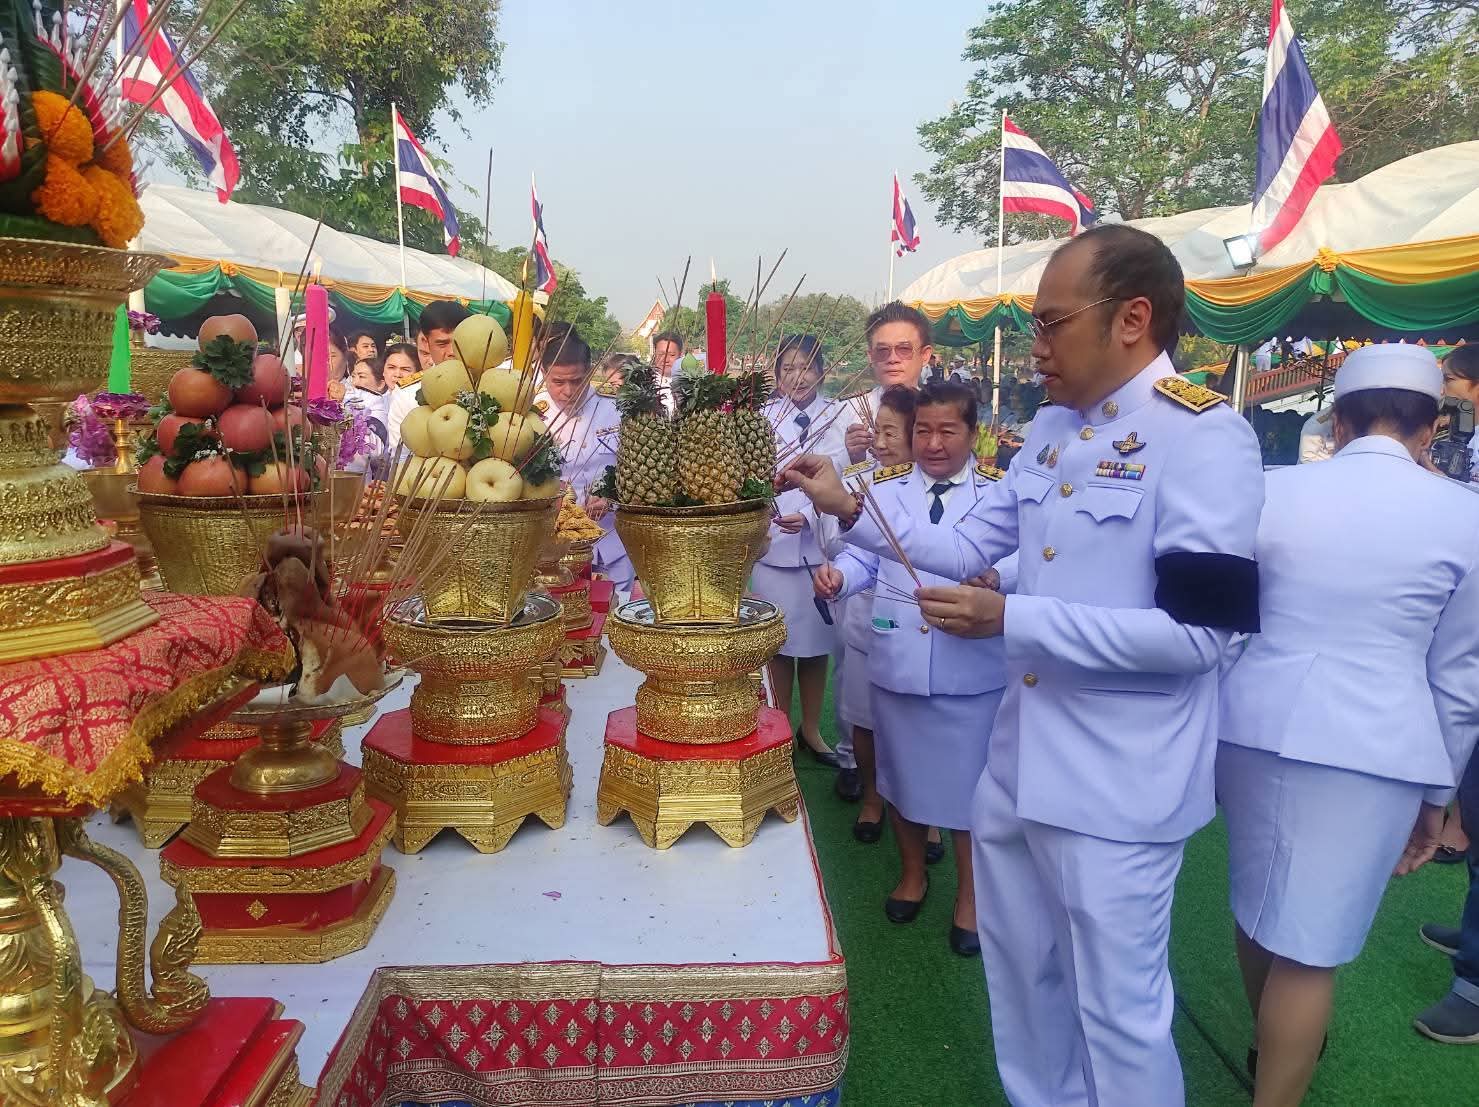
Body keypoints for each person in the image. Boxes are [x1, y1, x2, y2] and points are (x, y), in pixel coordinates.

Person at [786, 222, 1264, 1105]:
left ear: (1131, 318)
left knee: (1118, 1013)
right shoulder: (1050, 430)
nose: (1034, 345)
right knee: (1023, 982)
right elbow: (971, 543)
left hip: (1119, 784)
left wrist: (1015, 618)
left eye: (1050, 323)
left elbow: (1201, 637)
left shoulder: (1202, 437)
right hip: (1015, 762)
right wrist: (848, 507)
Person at [1217, 344, 1479, 1099]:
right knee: (1311, 947)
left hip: (1251, 723)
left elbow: (1233, 624)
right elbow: (1458, 678)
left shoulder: (1272, 489)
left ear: (1337, 418)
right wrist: (1438, 797)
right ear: (1430, 427)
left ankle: (1275, 1053)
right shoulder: (1465, 514)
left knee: (1255, 904)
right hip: (1375, 746)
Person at [815, 380, 1006, 956]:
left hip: (969, 670)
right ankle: (913, 873)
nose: (934, 443)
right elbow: (863, 559)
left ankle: (971, 896)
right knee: (898, 779)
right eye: (923, 429)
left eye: (949, 430)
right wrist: (839, 577)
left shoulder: (1000, 494)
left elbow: (1025, 559)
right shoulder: (884, 488)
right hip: (897, 659)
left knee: (973, 792)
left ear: (974, 434)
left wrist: (1001, 579)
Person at [810, 386, 917, 836]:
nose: (881, 440)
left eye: (892, 432)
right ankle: (872, 797)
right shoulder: (861, 479)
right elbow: (847, 548)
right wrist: (840, 577)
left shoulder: (940, 487)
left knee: (913, 729)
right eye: (878, 430)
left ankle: (921, 818)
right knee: (863, 719)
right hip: (866, 620)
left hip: (918, 628)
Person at [751, 336, 849, 768]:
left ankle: (812, 728)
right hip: (774, 549)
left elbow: (846, 475)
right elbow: (753, 476)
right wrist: (774, 512)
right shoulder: (762, 418)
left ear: (822, 371)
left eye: (807, 366)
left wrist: (810, 515)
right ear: (776, 373)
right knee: (777, 645)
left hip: (820, 546)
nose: (798, 376)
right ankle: (780, 727)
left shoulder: (840, 416)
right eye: (788, 367)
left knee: (814, 646)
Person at [532, 325, 632, 590]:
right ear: (544, 374)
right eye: (558, 382)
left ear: (589, 372)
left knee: (613, 615)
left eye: (576, 381)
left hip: (611, 539)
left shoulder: (615, 409)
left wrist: (612, 496)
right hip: (553, 549)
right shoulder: (530, 416)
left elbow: (636, 471)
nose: (568, 390)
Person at [844, 302, 932, 464]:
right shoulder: (846, 412)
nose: (892, 359)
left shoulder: (938, 411)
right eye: (883, 350)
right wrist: (855, 458)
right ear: (870, 356)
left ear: (925, 355)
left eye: (904, 349)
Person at [388, 301, 472, 452]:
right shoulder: (406, 396)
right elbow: (399, 457)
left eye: (459, 342)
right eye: (442, 344)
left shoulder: (487, 384)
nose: (452, 351)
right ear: (426, 343)